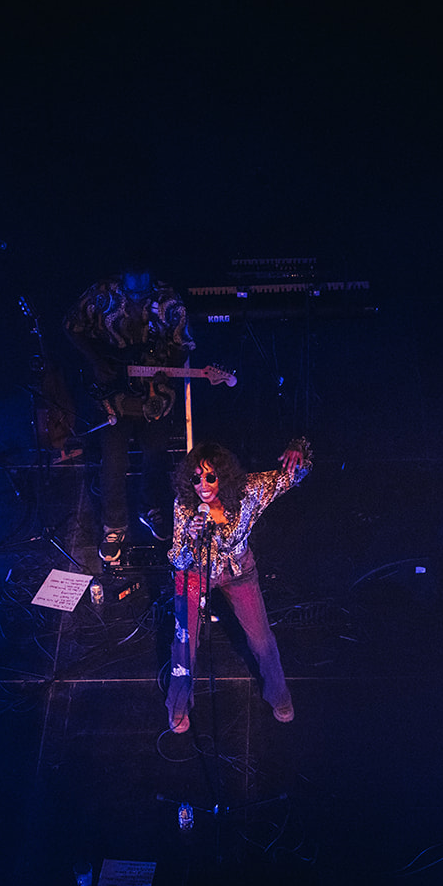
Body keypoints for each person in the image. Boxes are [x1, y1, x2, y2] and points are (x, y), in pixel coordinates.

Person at [165, 438, 311, 733]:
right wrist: (193, 539)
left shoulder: (250, 490)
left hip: (238, 570)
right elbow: (178, 560)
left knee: (261, 640)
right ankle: (178, 705)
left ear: (224, 475)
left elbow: (296, 474)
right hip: (194, 574)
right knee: (185, 645)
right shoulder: (184, 506)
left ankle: (278, 695)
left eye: (210, 476)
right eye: (195, 478)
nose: (202, 485)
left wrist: (299, 449)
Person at [63, 266, 196, 567]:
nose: (138, 291)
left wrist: (168, 371)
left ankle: (150, 508)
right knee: (113, 462)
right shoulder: (102, 293)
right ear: (123, 275)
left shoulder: (169, 300)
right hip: (112, 395)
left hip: (155, 396)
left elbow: (184, 344)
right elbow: (70, 326)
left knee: (156, 456)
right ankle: (114, 527)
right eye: (132, 284)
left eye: (144, 286)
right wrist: (96, 361)